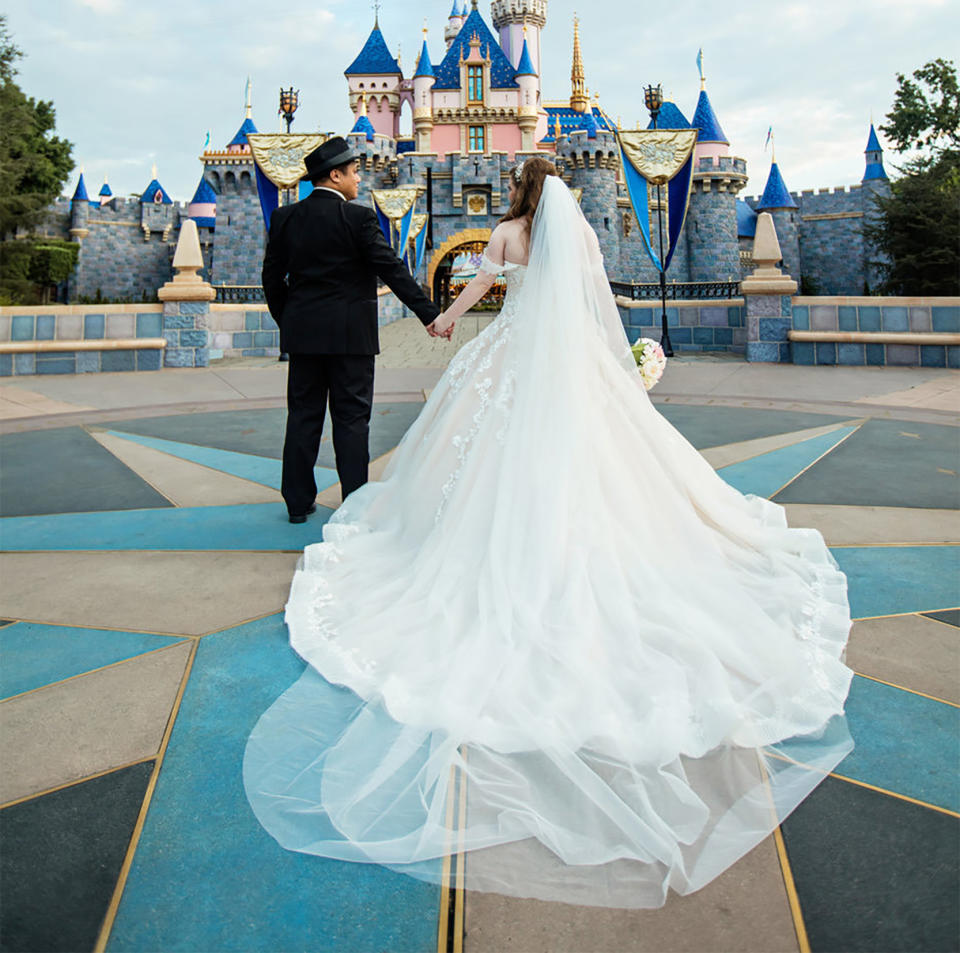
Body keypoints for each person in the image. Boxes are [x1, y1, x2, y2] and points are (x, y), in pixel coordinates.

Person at [245, 157, 853, 907]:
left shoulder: (496, 231)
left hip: (472, 355)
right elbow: (599, 302)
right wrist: (621, 365)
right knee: (591, 457)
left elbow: (473, 287)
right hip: (567, 369)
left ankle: (307, 497)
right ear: (560, 195)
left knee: (372, 429)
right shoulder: (584, 239)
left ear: (518, 193)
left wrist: (439, 316)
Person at [261, 136, 447, 523]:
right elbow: (393, 270)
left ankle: (297, 504)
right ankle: (354, 506)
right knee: (351, 421)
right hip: (352, 339)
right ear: (335, 175)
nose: (359, 179)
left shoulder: (286, 218)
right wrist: (430, 314)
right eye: (354, 172)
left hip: (305, 339)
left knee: (303, 417)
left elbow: (272, 280)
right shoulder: (359, 219)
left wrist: (290, 322)